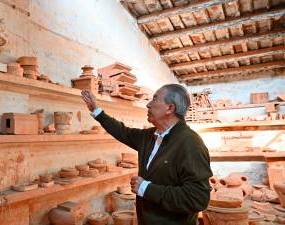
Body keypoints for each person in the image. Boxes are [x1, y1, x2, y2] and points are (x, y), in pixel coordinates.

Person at [81, 84, 213, 225]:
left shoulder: (190, 144)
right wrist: (96, 110)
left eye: (155, 99)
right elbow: (122, 131)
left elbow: (198, 198)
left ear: (170, 108)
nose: (148, 104)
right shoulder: (150, 136)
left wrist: (146, 188)